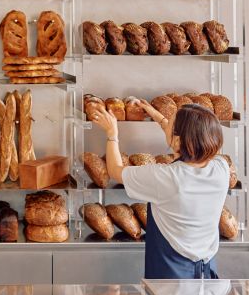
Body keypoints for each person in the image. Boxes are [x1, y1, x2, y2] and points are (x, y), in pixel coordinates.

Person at [92, 101, 229, 279]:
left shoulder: (166, 178)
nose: (166, 123)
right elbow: (190, 139)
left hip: (172, 275)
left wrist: (112, 134)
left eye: (170, 123)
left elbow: (115, 171)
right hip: (207, 271)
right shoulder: (221, 168)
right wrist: (153, 113)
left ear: (178, 140)